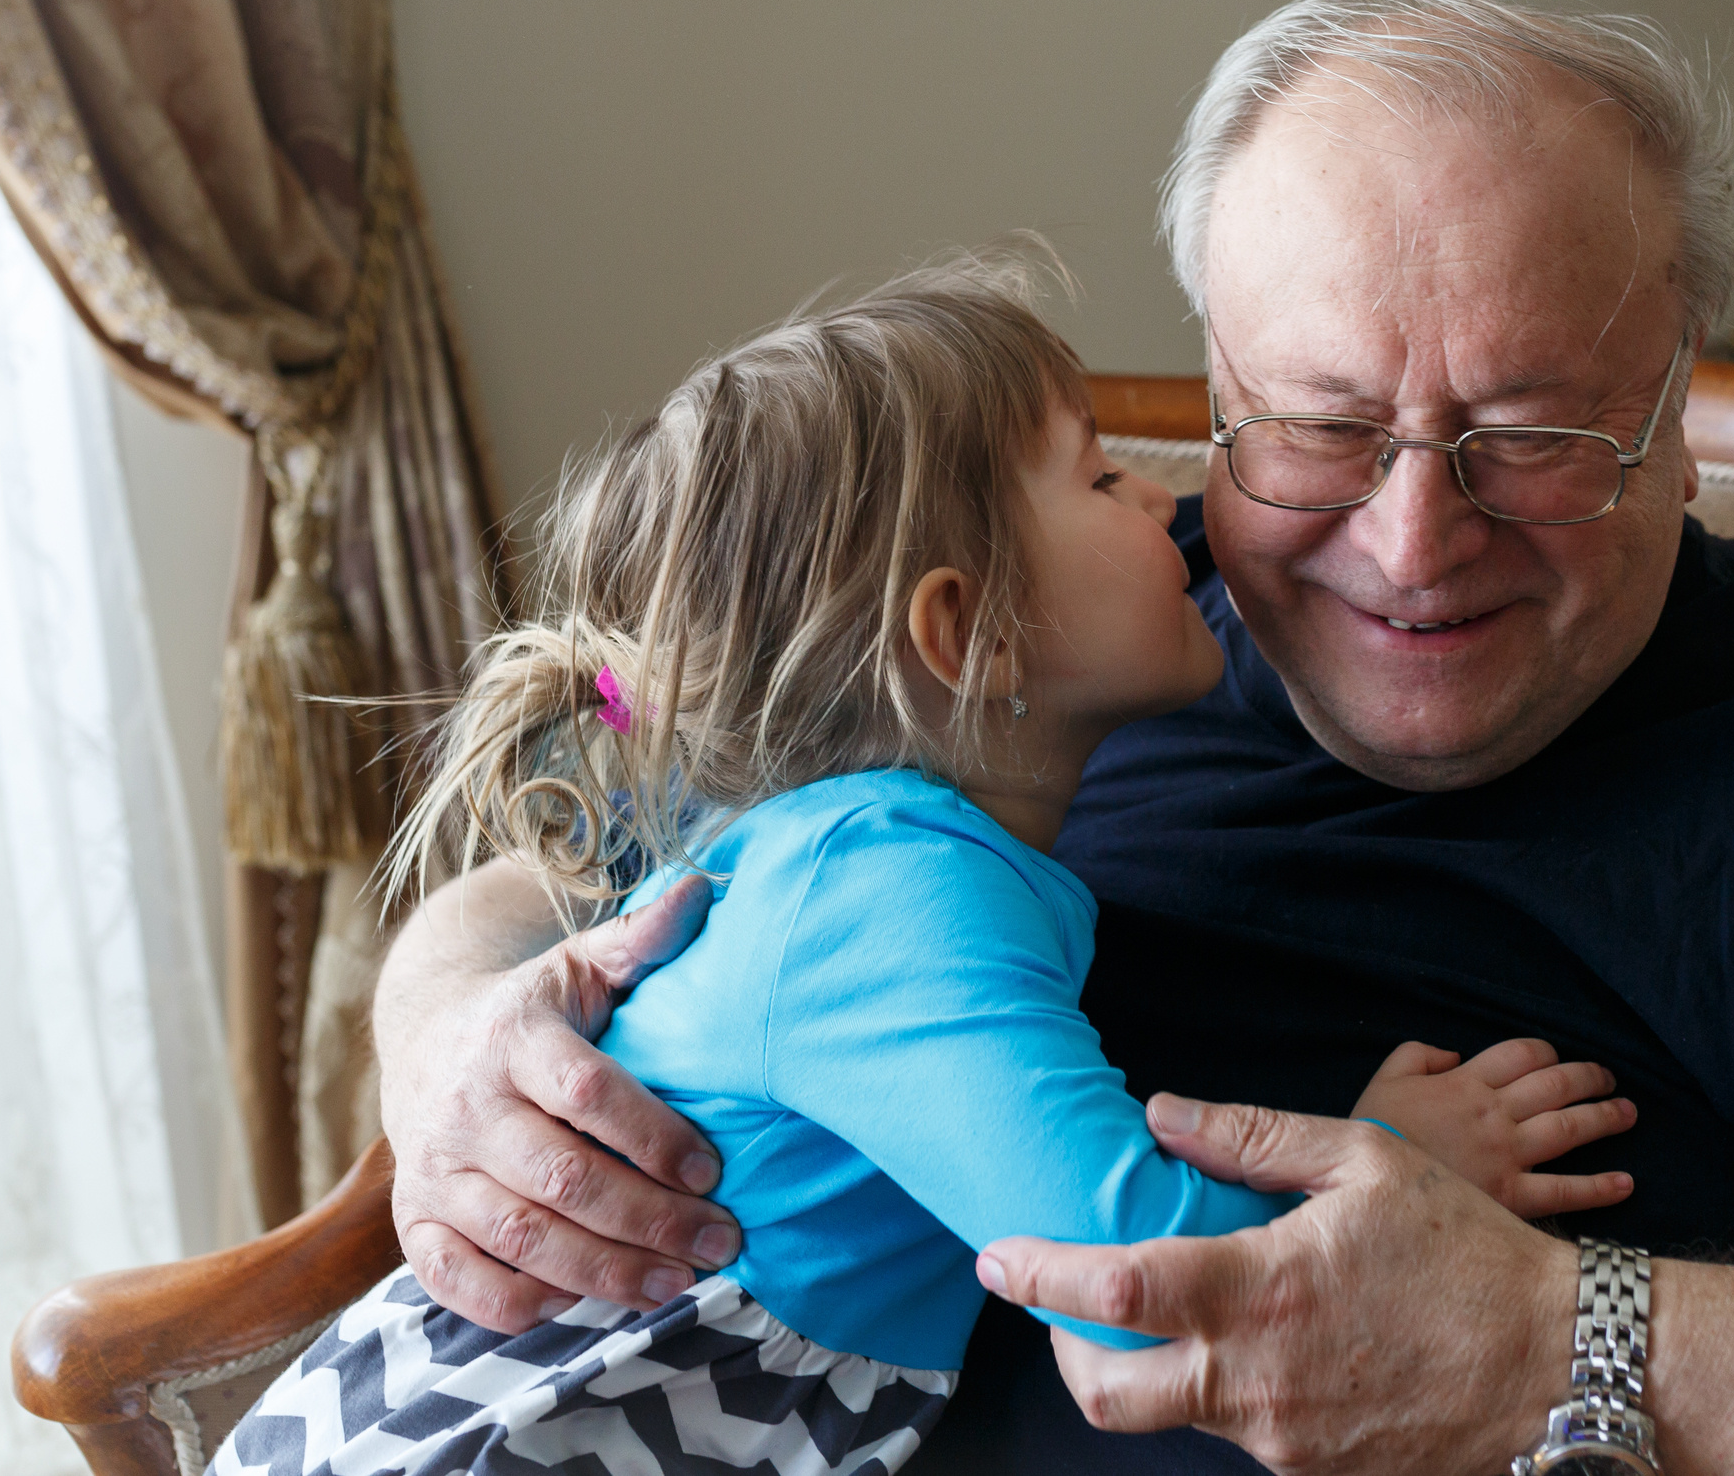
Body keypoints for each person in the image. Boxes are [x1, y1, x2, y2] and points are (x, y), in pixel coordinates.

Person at [373, 0, 1734, 1473]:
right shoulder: (1056, 657)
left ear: (1679, 414)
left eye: (1534, 433)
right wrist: (455, 1022)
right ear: (1215, 392)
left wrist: (1570, 1344)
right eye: (1318, 426)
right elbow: (638, 842)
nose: (1409, 544)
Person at [216, 257, 1636, 1475]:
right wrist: (1390, 1169)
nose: (1160, 502)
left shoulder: (825, 849)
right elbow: (1128, 1278)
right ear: (968, 635)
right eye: (1098, 476)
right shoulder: (885, 892)